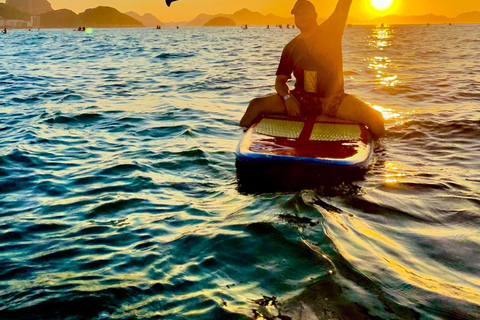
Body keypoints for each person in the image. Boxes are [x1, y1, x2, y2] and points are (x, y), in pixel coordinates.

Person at [239, 0, 385, 139]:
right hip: (303, 100)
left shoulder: (331, 31)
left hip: (333, 100)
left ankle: (379, 158)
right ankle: (240, 150)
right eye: (297, 14)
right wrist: (288, 98)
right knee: (255, 105)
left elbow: (344, 4)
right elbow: (280, 82)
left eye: (305, 12)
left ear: (315, 15)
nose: (301, 16)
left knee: (376, 118)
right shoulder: (291, 48)